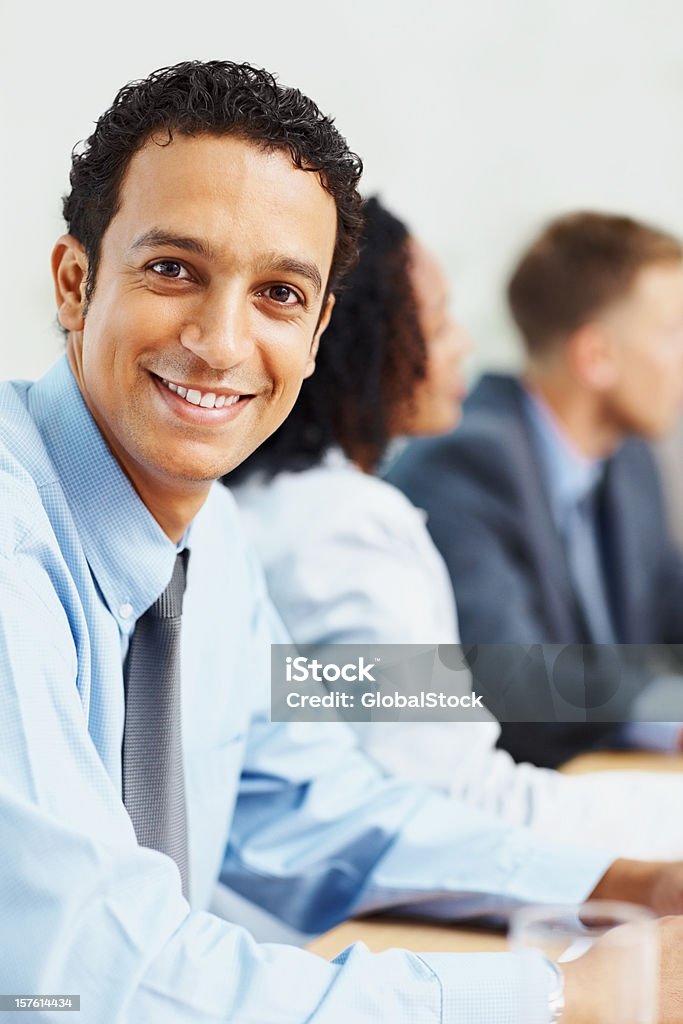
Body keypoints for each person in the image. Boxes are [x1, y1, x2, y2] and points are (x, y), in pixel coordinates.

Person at [2, 63, 683, 1024]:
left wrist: (631, 878)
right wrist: (560, 992)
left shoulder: (220, 531)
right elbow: (512, 685)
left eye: (279, 293)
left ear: (322, 330)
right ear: (75, 282)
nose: (222, 339)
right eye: (171, 269)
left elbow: (314, 802)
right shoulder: (373, 514)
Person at [232, 196, 683, 860]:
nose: (467, 347)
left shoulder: (631, 458)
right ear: (362, 343)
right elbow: (476, 757)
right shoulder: (350, 525)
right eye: (440, 325)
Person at [387, 211, 683, 767]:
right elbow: (513, 679)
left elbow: (667, 600)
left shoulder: (629, 456)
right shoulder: (466, 459)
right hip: (520, 794)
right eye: (674, 331)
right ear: (596, 357)